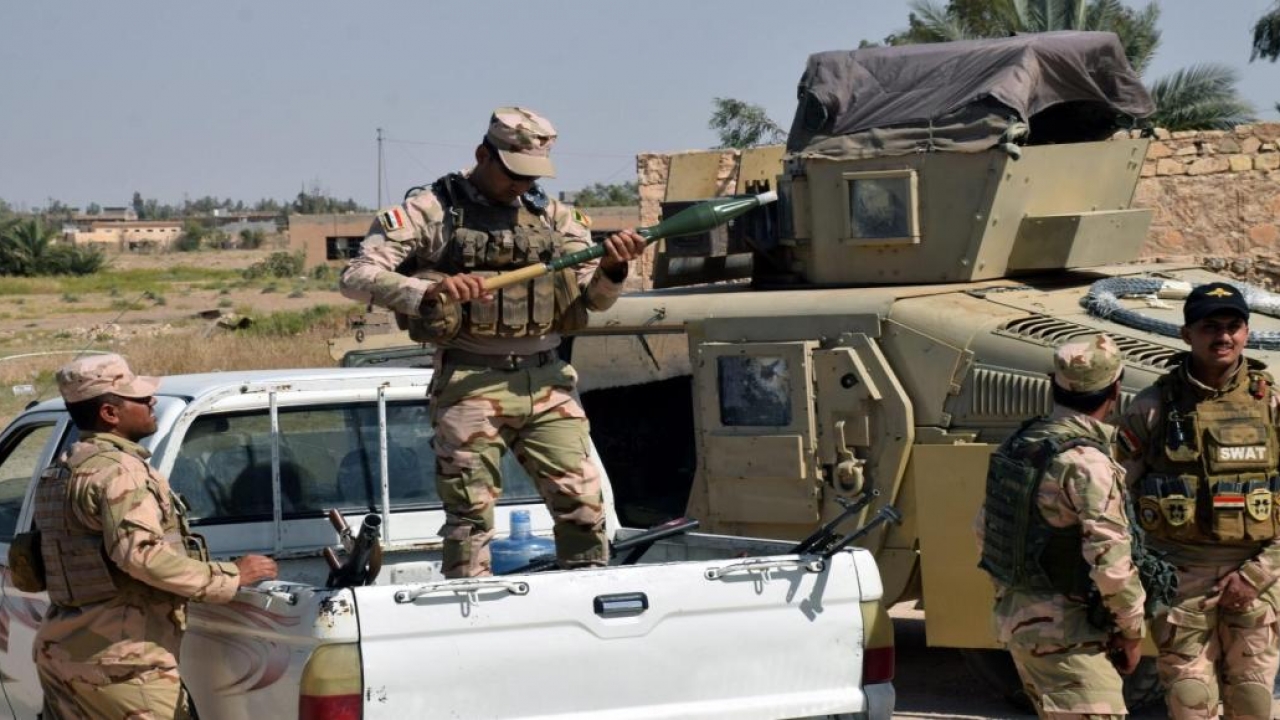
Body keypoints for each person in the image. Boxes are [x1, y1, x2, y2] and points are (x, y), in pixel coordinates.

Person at [340, 106, 647, 578]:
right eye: (513, 173)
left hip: (548, 380)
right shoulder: (430, 211)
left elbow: (595, 299)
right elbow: (356, 277)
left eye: (532, 175)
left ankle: (583, 598)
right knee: (470, 521)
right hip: (471, 381)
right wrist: (431, 291)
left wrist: (614, 268)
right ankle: (469, 608)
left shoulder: (554, 216)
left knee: (585, 510)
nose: (521, 185)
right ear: (483, 155)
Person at [33, 354, 278, 720]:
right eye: (138, 397)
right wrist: (229, 576)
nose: (151, 401)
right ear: (110, 413)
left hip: (63, 653)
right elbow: (140, 555)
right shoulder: (121, 471)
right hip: (122, 664)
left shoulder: (62, 470)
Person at [1117, 281, 1280, 720]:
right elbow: (1117, 500)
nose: (1223, 336)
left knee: (1253, 701)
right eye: (1210, 327)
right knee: (1189, 700)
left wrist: (1258, 574)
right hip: (1180, 579)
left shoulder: (1272, 404)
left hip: (1258, 577)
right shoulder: (1153, 407)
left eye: (1233, 326)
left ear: (1247, 333)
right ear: (1186, 334)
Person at [977, 333, 1146, 719]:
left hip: (1023, 621)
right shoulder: (1087, 463)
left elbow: (984, 530)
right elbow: (1112, 563)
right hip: (1066, 633)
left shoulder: (1020, 443)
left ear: (1053, 384)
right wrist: (1131, 631)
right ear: (1116, 390)